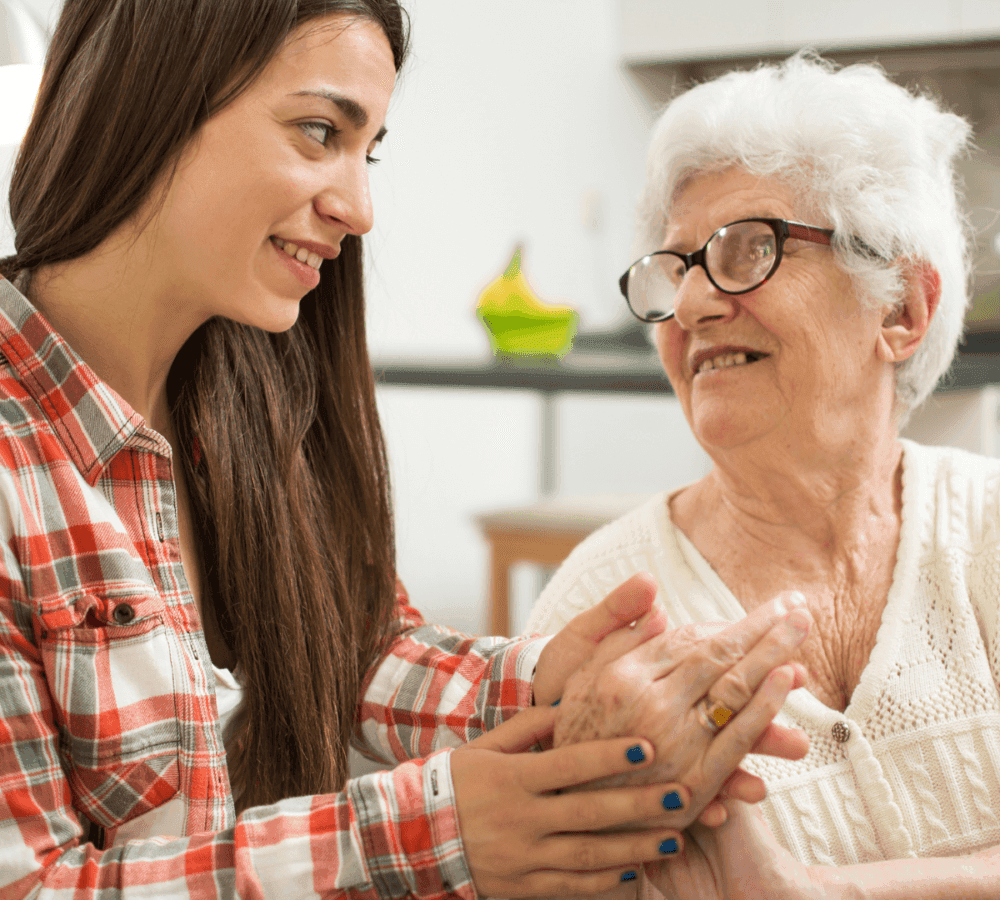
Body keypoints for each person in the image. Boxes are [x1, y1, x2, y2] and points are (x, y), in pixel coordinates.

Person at [0, 3, 815, 898]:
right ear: (147, 100)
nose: (359, 209)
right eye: (319, 132)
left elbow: (349, 648)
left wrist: (549, 683)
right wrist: (442, 832)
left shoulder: (245, 398)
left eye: (368, 150)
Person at [527, 52, 1000, 899]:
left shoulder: (988, 526)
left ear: (901, 309)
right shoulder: (604, 610)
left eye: (749, 249)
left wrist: (832, 892)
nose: (696, 306)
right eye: (677, 269)